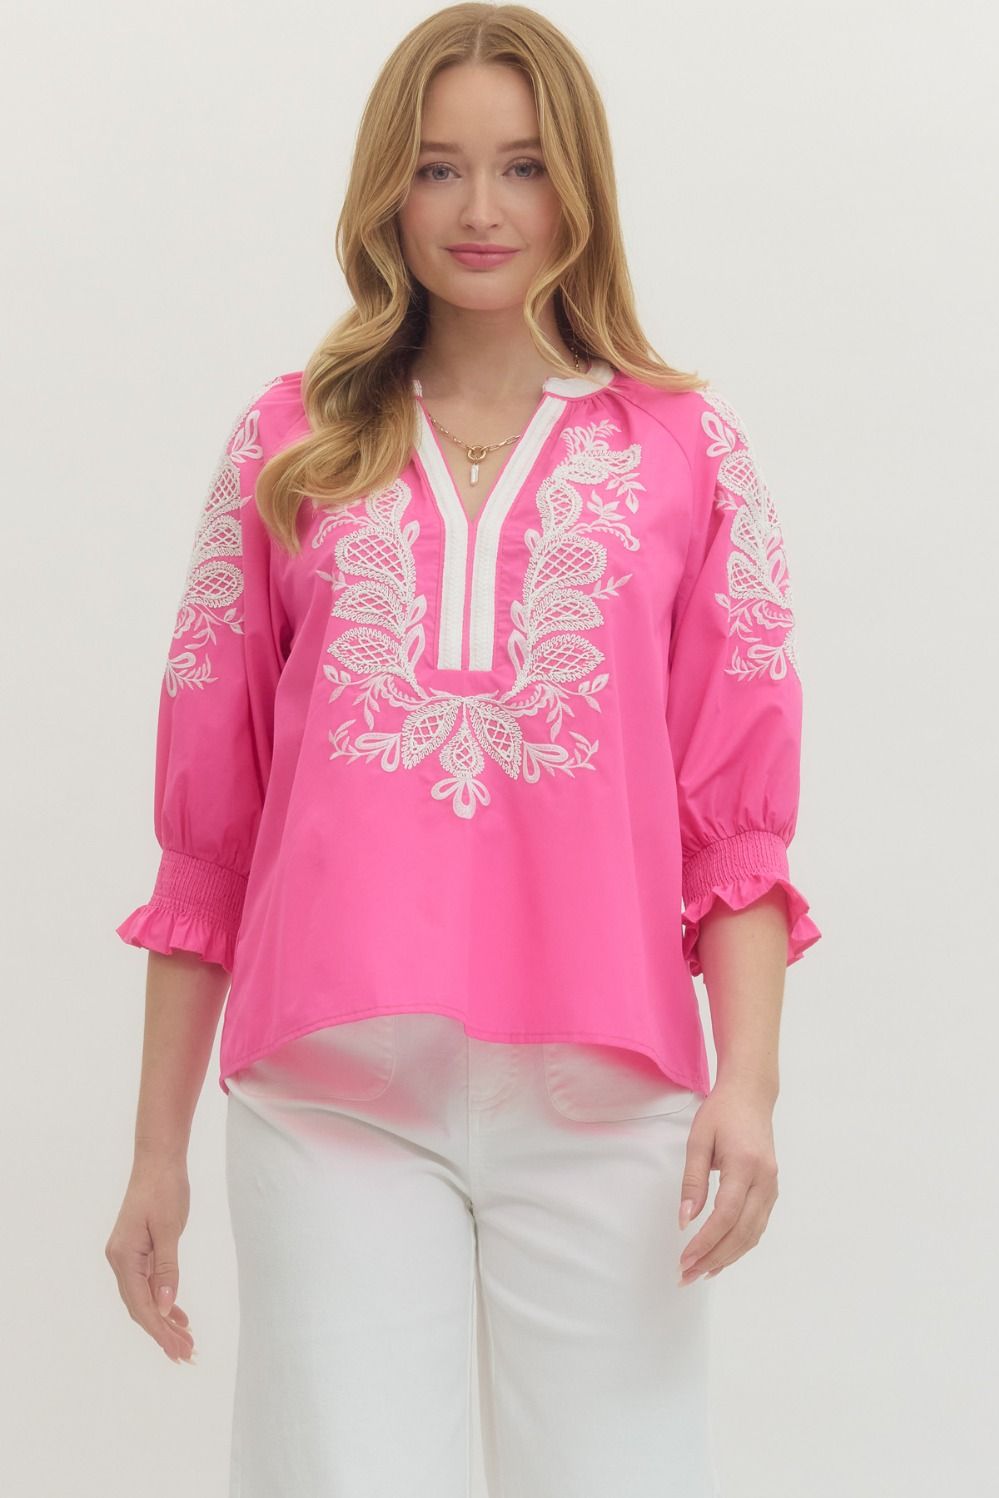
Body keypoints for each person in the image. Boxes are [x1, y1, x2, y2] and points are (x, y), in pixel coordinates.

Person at [104, 5, 822, 1495]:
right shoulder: (290, 446)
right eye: (438, 167)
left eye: (522, 165)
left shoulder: (687, 452)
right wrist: (155, 1152)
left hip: (611, 1103)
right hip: (332, 1100)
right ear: (389, 188)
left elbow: (736, 832)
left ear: (579, 186)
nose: (481, 208)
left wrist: (748, 1086)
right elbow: (209, 835)